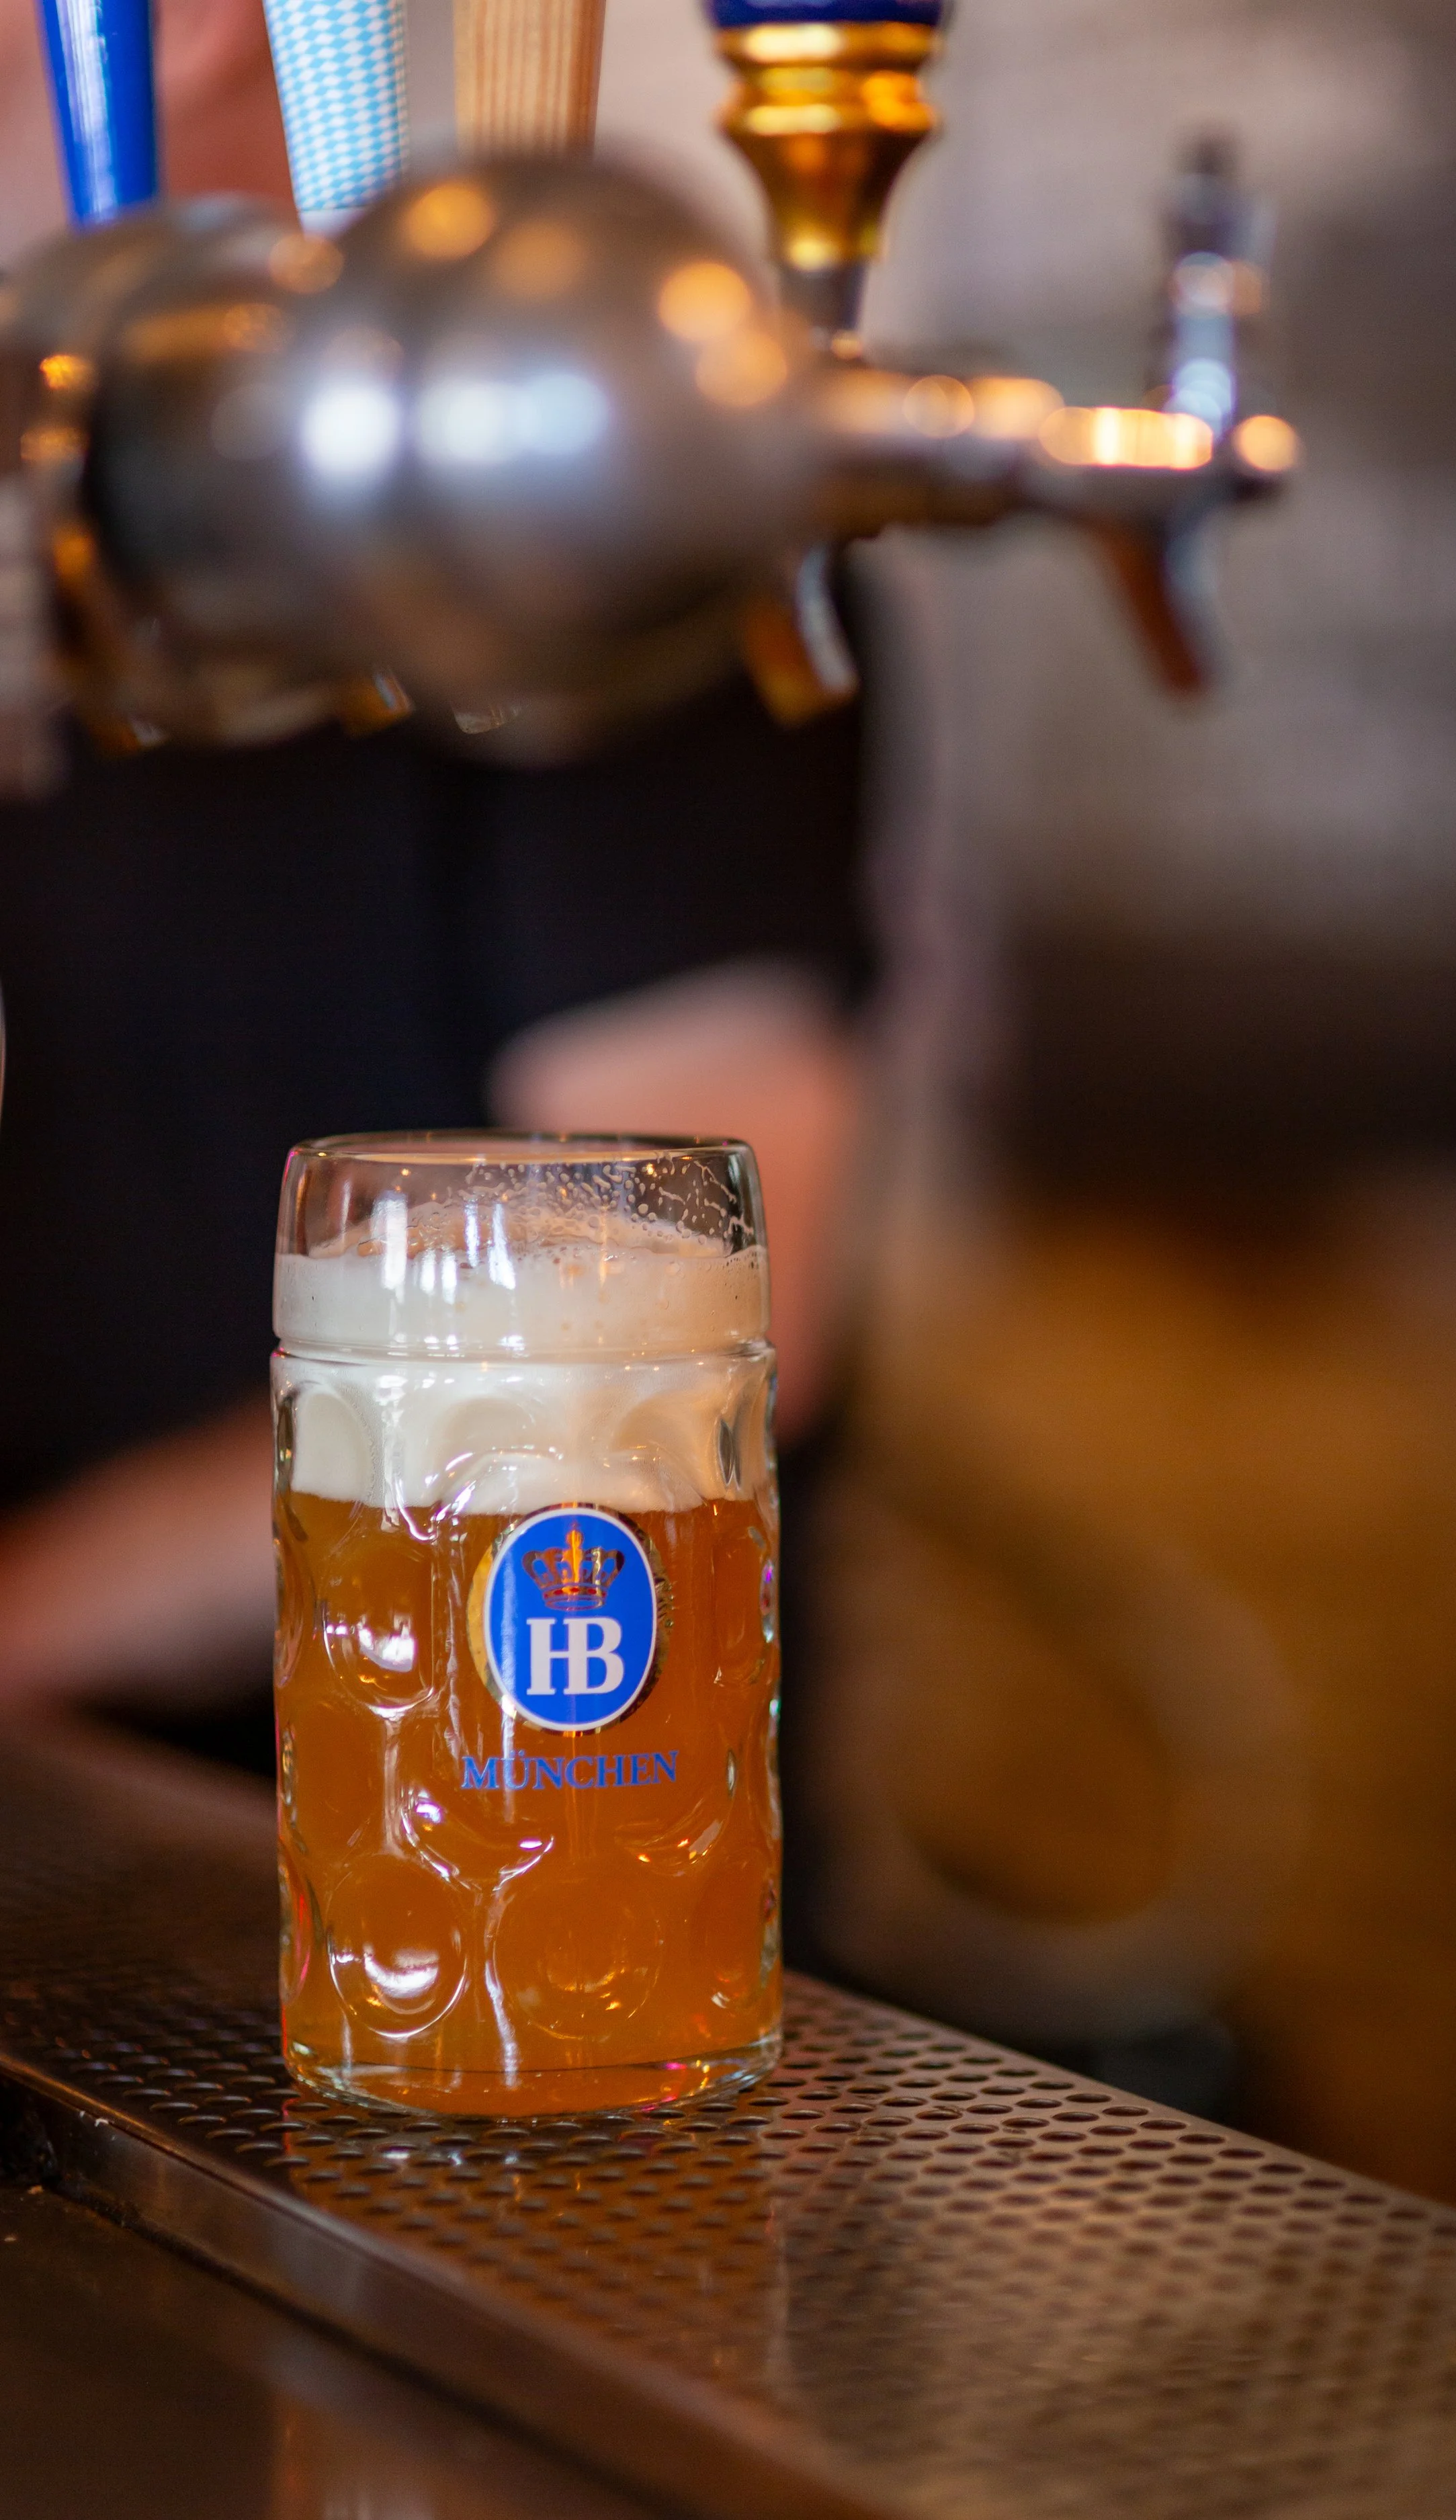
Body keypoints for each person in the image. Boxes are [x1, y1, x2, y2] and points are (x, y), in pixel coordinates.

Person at [0, 0, 874, 1773]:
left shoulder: (565, 493)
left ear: (170, 38)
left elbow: (664, 1324)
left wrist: (27, 1618)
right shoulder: (84, 530)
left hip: (505, 1814)